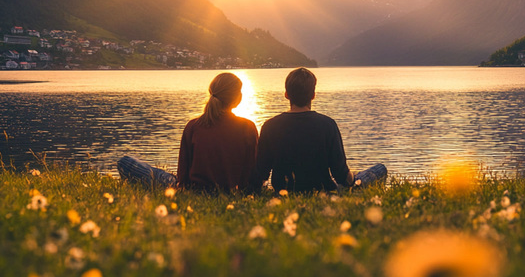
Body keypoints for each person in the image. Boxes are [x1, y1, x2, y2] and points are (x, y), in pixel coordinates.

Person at [250, 67, 386, 193]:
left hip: (284, 191)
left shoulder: (269, 126)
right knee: (380, 169)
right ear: (313, 95)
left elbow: (261, 173)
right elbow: (341, 174)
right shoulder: (327, 125)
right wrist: (353, 181)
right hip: (323, 191)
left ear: (286, 94)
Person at [118, 72, 258, 192]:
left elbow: (183, 174)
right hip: (232, 190)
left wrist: (183, 188)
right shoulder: (248, 127)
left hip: (193, 191)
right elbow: (251, 171)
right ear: (237, 99)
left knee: (125, 162)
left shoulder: (194, 126)